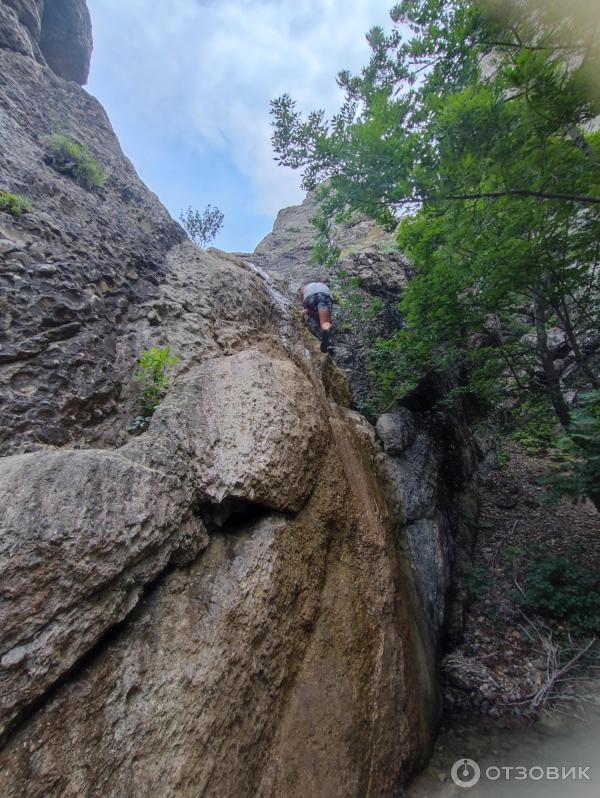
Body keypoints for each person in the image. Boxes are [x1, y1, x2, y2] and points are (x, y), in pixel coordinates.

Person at [299, 281, 334, 354]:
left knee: (310, 312)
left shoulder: (303, 289)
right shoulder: (323, 285)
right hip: (323, 295)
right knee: (325, 322)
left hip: (309, 297)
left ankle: (325, 339)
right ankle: (328, 339)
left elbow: (306, 308)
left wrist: (309, 313)